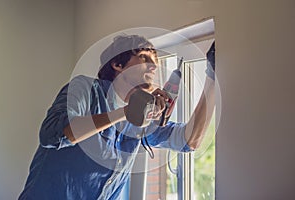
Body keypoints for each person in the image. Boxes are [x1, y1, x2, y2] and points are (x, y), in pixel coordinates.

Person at [18, 35, 215, 200]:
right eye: (145, 58)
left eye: (155, 63)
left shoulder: (142, 119)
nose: (154, 68)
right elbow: (52, 135)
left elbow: (188, 140)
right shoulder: (85, 89)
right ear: (118, 64)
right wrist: (124, 113)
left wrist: (212, 76)